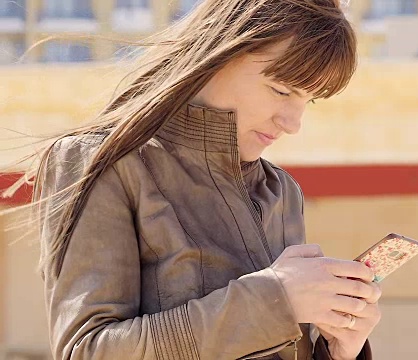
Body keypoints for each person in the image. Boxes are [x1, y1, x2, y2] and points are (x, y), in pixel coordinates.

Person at [30, 0, 382, 359]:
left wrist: (336, 351)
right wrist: (276, 300)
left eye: (310, 100)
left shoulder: (282, 192)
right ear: (219, 54)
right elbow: (88, 351)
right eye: (281, 90)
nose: (292, 122)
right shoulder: (103, 163)